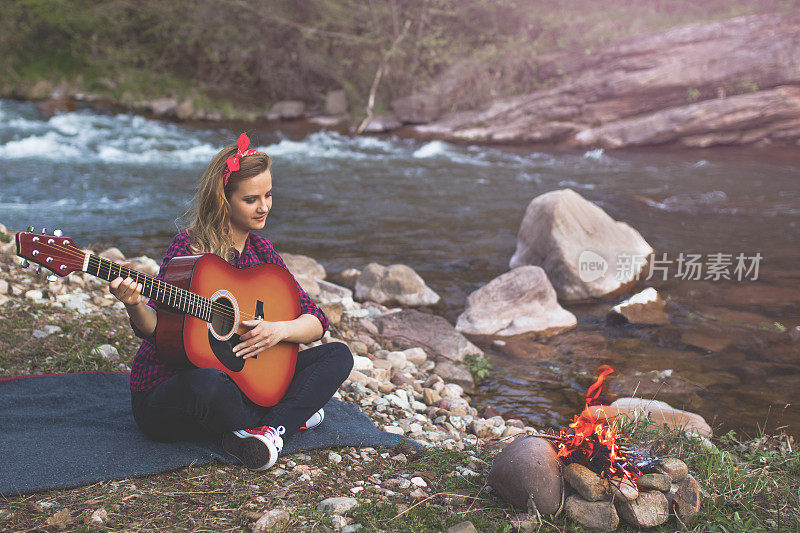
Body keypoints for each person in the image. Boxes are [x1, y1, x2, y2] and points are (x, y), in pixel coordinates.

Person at [109, 132, 353, 470]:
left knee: (338, 356)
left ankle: (269, 431)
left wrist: (277, 330)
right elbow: (156, 330)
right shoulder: (190, 249)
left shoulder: (263, 253)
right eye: (251, 199)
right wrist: (133, 304)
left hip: (243, 381)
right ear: (225, 199)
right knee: (209, 382)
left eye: (268, 195)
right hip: (171, 391)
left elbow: (315, 321)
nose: (264, 206)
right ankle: (287, 414)